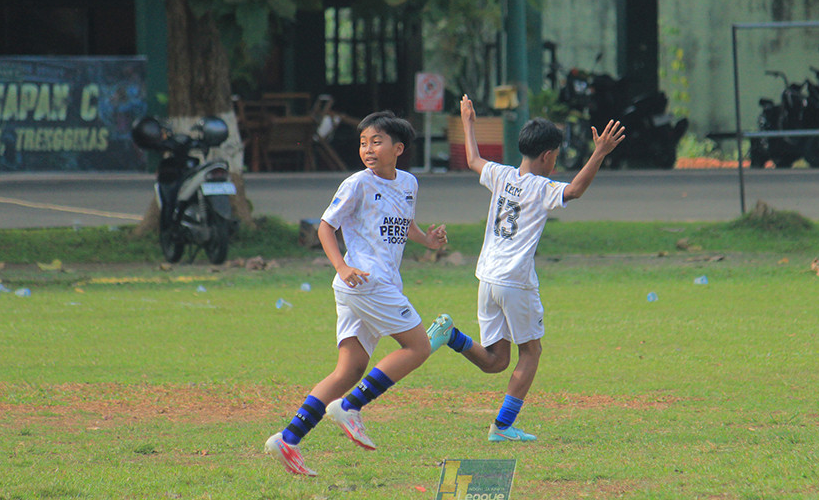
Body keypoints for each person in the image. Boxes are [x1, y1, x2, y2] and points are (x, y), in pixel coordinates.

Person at [425, 94, 624, 442]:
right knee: (531, 351)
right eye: (557, 156)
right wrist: (600, 152)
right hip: (515, 281)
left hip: (486, 278)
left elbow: (472, 159)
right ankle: (502, 427)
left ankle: (451, 336)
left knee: (496, 360)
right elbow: (575, 191)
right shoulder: (541, 187)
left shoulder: (501, 175)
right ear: (548, 155)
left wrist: (468, 121)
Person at [264, 111, 449, 475]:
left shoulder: (409, 183)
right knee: (419, 347)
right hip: (365, 283)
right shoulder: (356, 184)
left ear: (398, 148)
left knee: (349, 369)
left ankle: (288, 438)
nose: (367, 149)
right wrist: (343, 267)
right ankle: (351, 406)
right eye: (363, 142)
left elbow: (403, 224)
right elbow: (325, 228)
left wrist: (429, 241)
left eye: (376, 142)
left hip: (373, 285)